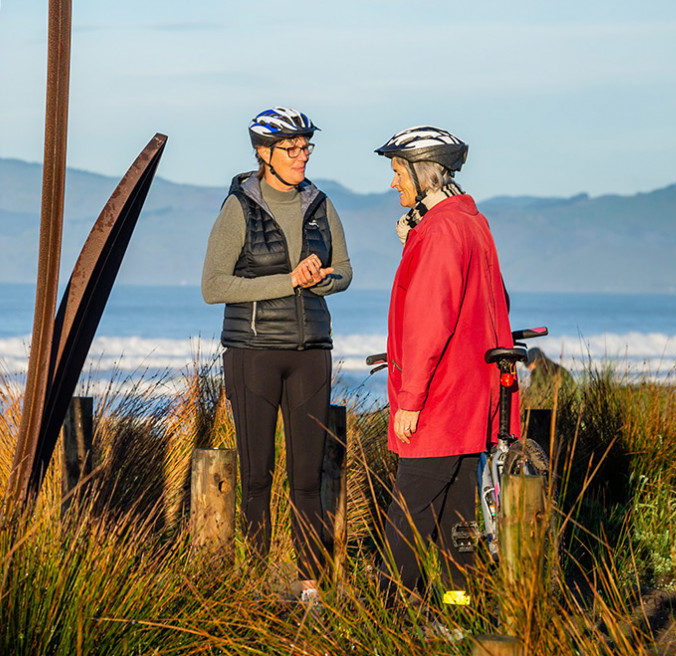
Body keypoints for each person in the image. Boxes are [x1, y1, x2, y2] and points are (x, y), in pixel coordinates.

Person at [202, 106, 352, 600]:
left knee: (307, 478)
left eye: (306, 147)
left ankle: (309, 587)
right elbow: (213, 285)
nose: (301, 156)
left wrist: (322, 280)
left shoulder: (320, 204)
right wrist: (286, 280)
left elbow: (345, 272)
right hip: (254, 353)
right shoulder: (239, 208)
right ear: (264, 154)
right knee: (257, 476)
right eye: (292, 149)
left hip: (311, 351)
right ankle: (251, 582)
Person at [374, 125, 519, 607]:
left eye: (398, 171)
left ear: (422, 172)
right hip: (471, 399)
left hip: (440, 399)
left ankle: (384, 617)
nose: (394, 183)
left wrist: (410, 401)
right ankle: (460, 610)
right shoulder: (470, 222)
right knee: (459, 521)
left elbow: (429, 320)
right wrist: (411, 242)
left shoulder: (439, 230)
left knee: (407, 519)